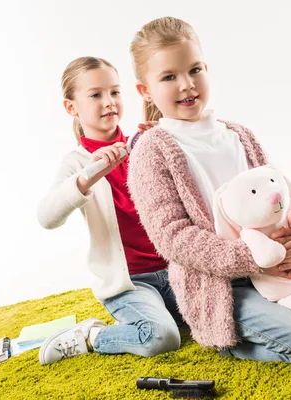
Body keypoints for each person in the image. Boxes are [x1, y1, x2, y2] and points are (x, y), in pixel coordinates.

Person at [126, 17, 291, 362]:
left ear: (206, 68)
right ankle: (227, 338)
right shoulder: (151, 151)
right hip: (222, 286)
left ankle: (286, 304)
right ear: (145, 90)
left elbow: (278, 199)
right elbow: (173, 237)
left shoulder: (238, 134)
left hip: (277, 269)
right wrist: (254, 259)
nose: (186, 84)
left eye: (194, 70)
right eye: (169, 77)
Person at [36, 56, 183, 365]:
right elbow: (47, 216)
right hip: (131, 282)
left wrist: (172, 143)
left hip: (175, 269)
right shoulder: (77, 163)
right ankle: (91, 336)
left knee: (225, 311)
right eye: (96, 95)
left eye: (115, 92)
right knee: (161, 337)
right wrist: (88, 175)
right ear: (71, 107)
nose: (109, 102)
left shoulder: (142, 144)